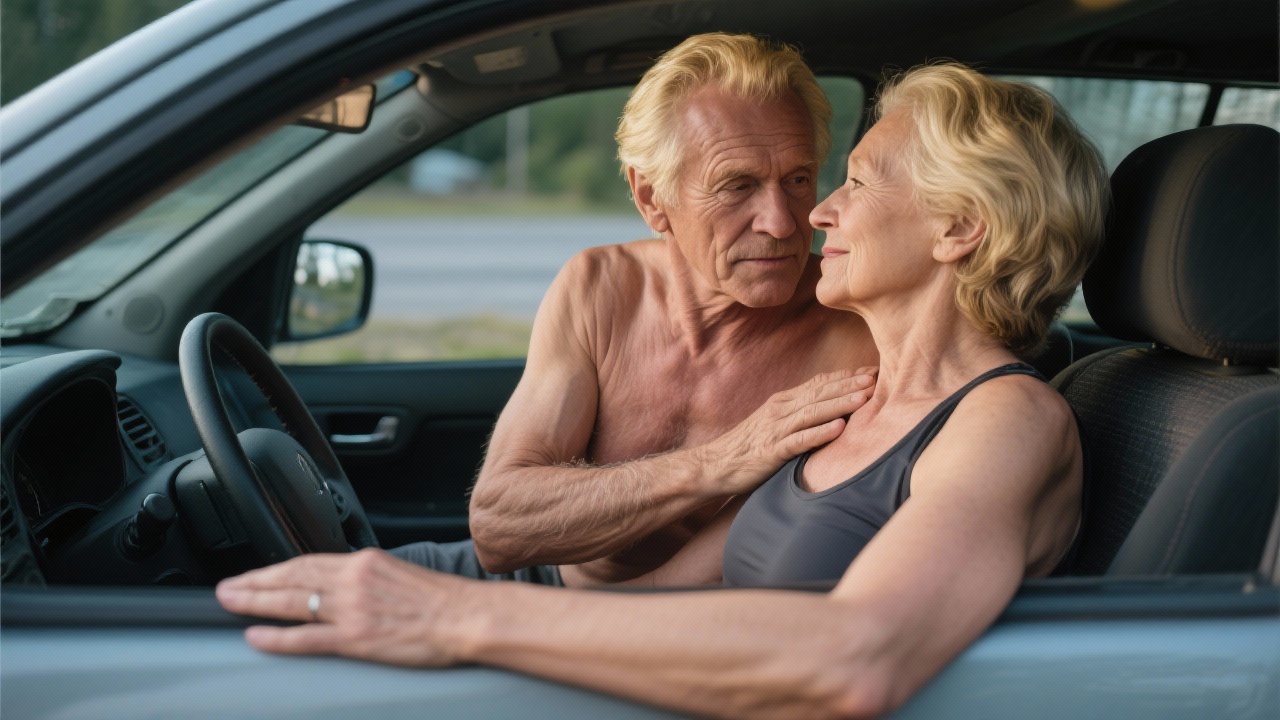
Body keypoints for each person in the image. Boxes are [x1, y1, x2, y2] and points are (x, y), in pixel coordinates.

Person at [217, 63, 1107, 719]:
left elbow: (858, 657)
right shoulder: (857, 403)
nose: (810, 215)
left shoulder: (1011, 419)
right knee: (248, 637)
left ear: (958, 226)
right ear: (652, 199)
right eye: (749, 187)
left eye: (849, 181)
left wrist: (452, 618)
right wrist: (432, 620)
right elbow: (649, 600)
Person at [392, 33, 877, 588]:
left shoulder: (858, 329)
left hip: (674, 631)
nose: (783, 223)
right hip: (539, 582)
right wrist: (723, 461)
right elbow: (501, 529)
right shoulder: (600, 286)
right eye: (737, 186)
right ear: (651, 199)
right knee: (299, 585)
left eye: (796, 179)